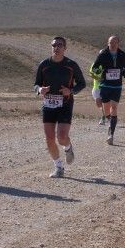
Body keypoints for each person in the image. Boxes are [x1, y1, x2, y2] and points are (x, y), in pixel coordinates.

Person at [34, 36, 86, 178]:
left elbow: (82, 83)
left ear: (65, 48)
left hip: (65, 104)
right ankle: (58, 167)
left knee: (62, 137)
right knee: (49, 138)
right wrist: (40, 90)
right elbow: (36, 84)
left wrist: (71, 91)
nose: (56, 47)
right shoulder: (44, 64)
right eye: (54, 45)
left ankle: (68, 148)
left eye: (60, 45)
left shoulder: (71, 65)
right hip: (48, 104)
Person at [91, 35, 125, 145]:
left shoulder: (122, 54)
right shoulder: (103, 54)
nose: (112, 44)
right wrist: (98, 71)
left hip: (117, 86)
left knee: (114, 107)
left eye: (114, 42)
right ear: (108, 43)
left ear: (118, 43)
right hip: (105, 85)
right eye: (110, 42)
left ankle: (111, 134)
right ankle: (110, 119)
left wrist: (124, 72)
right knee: (106, 109)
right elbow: (95, 66)